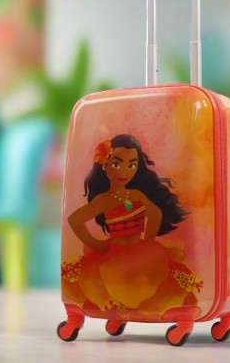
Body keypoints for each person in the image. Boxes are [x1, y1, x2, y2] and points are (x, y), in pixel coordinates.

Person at [62, 134, 203, 321]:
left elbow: (155, 213)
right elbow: (75, 219)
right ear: (105, 165)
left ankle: (151, 308)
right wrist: (94, 243)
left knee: (151, 279)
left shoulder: (135, 195)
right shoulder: (104, 200)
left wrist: (148, 241)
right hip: (115, 253)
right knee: (113, 281)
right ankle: (120, 310)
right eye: (117, 164)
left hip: (140, 249)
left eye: (132, 165)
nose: (124, 171)